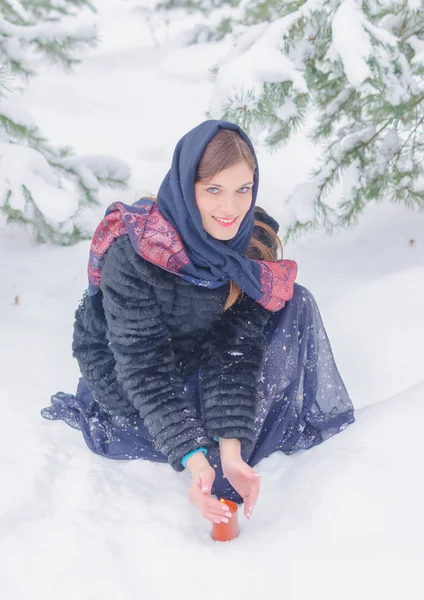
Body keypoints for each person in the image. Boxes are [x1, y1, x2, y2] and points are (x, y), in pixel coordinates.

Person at [41, 119, 355, 526]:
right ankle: (196, 441)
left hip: (196, 355)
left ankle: (229, 442)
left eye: (242, 189)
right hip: (133, 377)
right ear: (187, 188)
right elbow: (145, 367)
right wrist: (194, 457)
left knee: (294, 302)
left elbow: (234, 352)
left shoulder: (250, 245)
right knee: (183, 433)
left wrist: (229, 450)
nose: (230, 209)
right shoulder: (136, 255)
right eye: (213, 190)